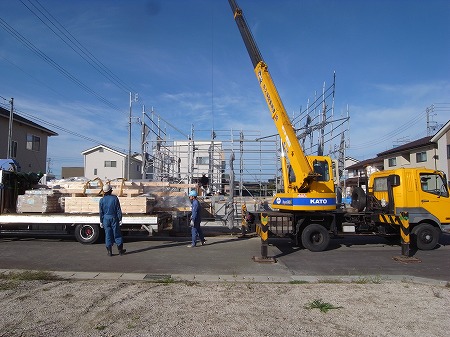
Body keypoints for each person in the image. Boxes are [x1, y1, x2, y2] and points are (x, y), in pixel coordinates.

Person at [99, 184, 126, 256]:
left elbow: (101, 212)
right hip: (114, 218)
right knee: (117, 234)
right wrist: (120, 219)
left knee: (108, 234)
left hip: (105, 219)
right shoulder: (115, 198)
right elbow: (118, 210)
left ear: (104, 192)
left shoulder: (101, 200)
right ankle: (120, 251)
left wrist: (101, 221)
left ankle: (109, 252)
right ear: (110, 190)